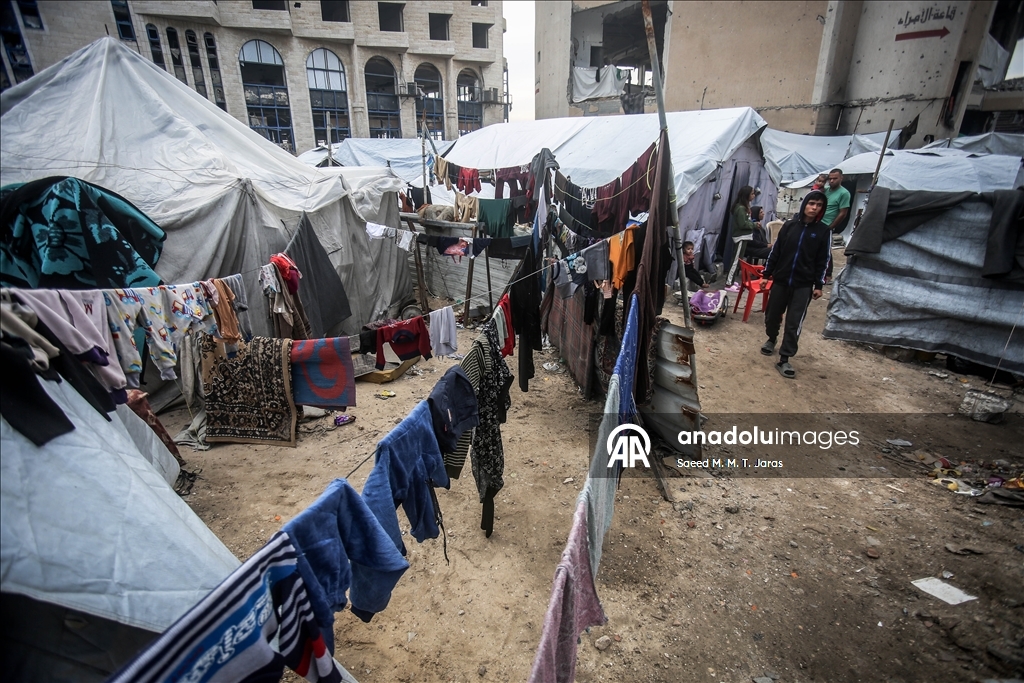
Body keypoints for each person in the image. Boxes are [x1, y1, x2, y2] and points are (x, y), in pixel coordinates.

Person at [758, 190, 830, 380]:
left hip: (803, 285)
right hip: (781, 280)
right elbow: (776, 252)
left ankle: (785, 358)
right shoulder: (789, 227)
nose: (814, 208)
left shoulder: (823, 232)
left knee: (794, 322)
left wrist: (819, 285)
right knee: (772, 315)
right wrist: (766, 274)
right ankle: (771, 338)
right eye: (812, 204)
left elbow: (823, 260)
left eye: (819, 205)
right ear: (805, 204)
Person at [821, 168, 851, 283]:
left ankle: (828, 276)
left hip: (827, 226)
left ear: (841, 178)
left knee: (826, 251)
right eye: (830, 178)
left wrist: (831, 227)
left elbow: (843, 213)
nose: (832, 181)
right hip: (818, 224)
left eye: (835, 178)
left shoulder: (844, 193)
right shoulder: (825, 190)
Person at [725, 186, 757, 287]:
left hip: (744, 237)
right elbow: (742, 224)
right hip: (741, 237)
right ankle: (729, 282)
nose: (754, 196)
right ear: (746, 195)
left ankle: (732, 280)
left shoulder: (744, 207)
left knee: (739, 260)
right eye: (752, 194)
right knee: (736, 260)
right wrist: (754, 225)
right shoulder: (741, 208)